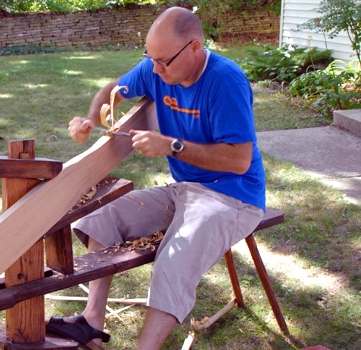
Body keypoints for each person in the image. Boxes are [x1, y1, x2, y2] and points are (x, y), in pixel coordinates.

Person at [46, 6, 266, 349]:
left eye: (164, 61)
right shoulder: (156, 69)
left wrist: (172, 146)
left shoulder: (226, 81)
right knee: (103, 219)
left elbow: (238, 160)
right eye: (151, 58)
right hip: (185, 190)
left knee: (173, 261)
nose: (156, 69)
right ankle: (91, 321)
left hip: (233, 197)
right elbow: (112, 91)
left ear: (194, 47)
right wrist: (90, 120)